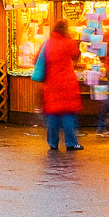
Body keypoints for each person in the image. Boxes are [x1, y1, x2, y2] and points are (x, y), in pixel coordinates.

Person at [36, 19, 84, 151]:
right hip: (67, 83)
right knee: (68, 114)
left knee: (53, 114)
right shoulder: (68, 43)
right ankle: (71, 143)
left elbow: (37, 60)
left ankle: (53, 143)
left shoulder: (47, 43)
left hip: (51, 83)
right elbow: (75, 55)